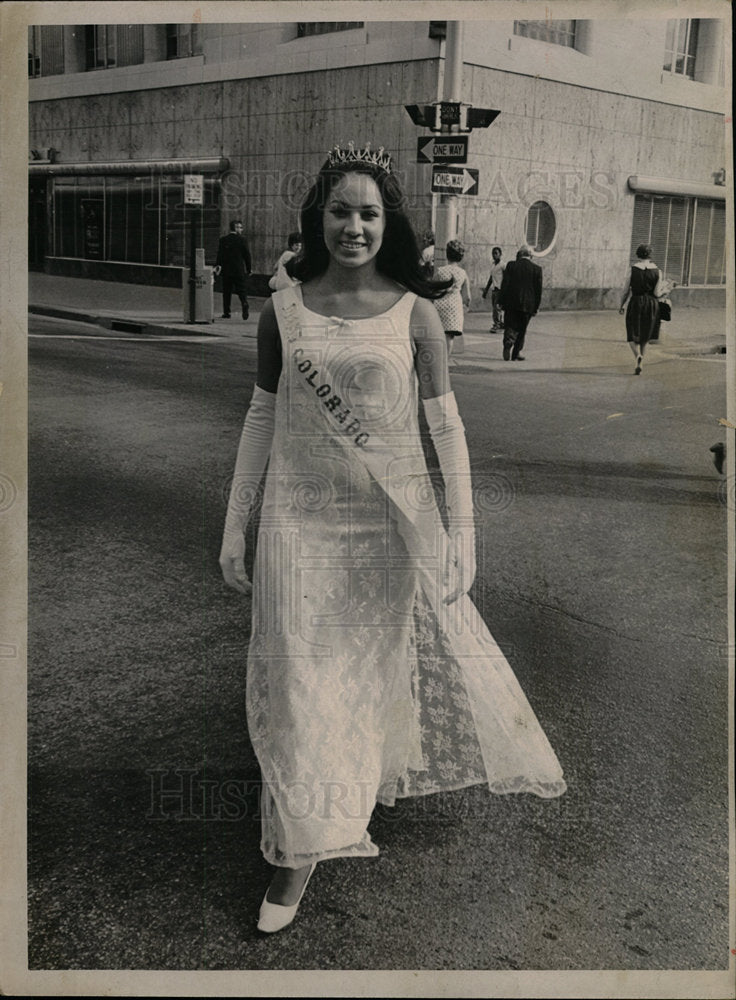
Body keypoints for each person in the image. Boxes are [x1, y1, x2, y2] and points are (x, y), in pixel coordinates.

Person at [219, 143, 566, 934]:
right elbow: (262, 417)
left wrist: (463, 537)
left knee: (363, 674)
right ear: (318, 218)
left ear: (389, 223)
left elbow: (447, 431)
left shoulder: (415, 314)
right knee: (299, 676)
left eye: (369, 212)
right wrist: (234, 525)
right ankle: (299, 851)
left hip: (384, 527)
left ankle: (336, 794)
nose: (354, 226)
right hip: (296, 524)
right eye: (340, 210)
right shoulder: (284, 308)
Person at [618, 244, 661, 374]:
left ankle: (637, 356)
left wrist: (621, 305)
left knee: (632, 333)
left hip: (636, 302)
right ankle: (641, 359)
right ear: (650, 255)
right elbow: (657, 293)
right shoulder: (658, 271)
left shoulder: (632, 270)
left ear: (638, 255)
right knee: (645, 334)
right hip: (651, 304)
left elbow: (626, 291)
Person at [498, 245, 543, 361]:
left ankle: (508, 341)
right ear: (530, 256)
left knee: (510, 325)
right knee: (522, 329)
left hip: (511, 302)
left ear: (519, 254)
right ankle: (516, 353)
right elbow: (538, 291)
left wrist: (500, 301)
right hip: (528, 305)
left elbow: (505, 284)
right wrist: (536, 307)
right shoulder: (537, 269)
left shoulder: (511, 265)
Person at [433, 239, 472, 356]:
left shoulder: (440, 271)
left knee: (438, 334)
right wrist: (466, 306)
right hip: (454, 305)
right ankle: (446, 359)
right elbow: (467, 296)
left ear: (447, 254)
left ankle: (437, 358)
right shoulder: (462, 273)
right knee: (449, 336)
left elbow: (432, 290)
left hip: (440, 304)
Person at [214, 220, 252, 320]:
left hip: (226, 270)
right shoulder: (242, 240)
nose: (241, 229)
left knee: (226, 291)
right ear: (235, 228)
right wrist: (249, 269)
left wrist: (217, 265)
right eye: (240, 227)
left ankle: (226, 312)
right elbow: (247, 256)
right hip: (238, 269)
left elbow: (220, 255)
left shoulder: (223, 240)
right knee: (241, 289)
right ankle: (244, 303)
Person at [481, 245, 505, 332]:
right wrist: (486, 290)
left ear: (500, 254)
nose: (494, 255)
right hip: (494, 289)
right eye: (493, 253)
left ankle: (497, 325)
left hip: (500, 289)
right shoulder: (493, 265)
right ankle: (500, 323)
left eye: (496, 253)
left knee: (497, 308)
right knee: (495, 308)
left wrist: (505, 289)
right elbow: (491, 278)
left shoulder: (503, 265)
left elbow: (506, 278)